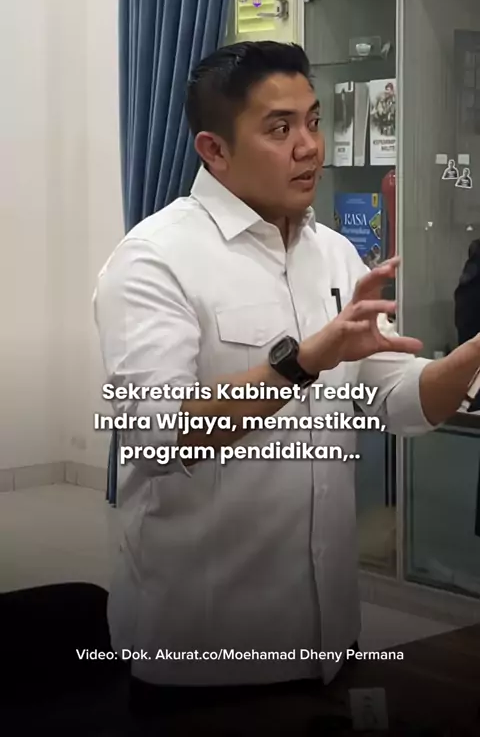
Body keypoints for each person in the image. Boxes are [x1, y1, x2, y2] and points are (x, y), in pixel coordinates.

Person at [93, 41, 480, 720]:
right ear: (214, 150)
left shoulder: (333, 253)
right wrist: (301, 362)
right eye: (279, 128)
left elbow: (403, 401)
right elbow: (158, 434)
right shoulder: (155, 260)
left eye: (314, 120)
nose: (310, 146)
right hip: (204, 658)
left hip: (331, 641)